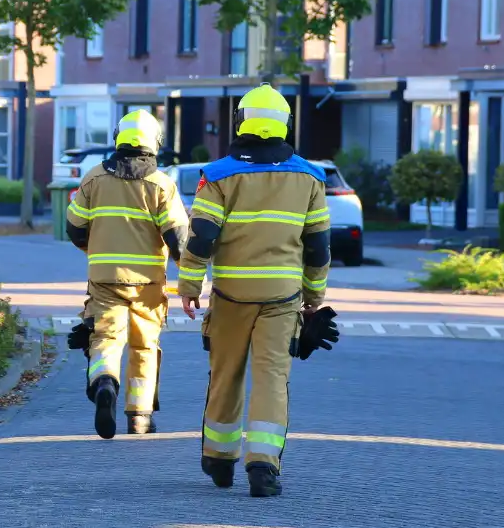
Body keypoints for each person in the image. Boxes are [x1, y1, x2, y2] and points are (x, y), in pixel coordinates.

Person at [178, 83, 332, 498]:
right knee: (272, 379)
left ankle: (218, 459)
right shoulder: (311, 178)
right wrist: (314, 297)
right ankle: (263, 464)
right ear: (285, 124)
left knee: (225, 374)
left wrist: (190, 284)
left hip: (230, 296)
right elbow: (317, 246)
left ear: (241, 120)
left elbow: (201, 236)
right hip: (282, 298)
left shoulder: (219, 175)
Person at [64, 109, 189, 439]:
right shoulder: (162, 185)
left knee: (105, 339)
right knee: (144, 346)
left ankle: (105, 381)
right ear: (154, 143)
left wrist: (97, 251)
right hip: (148, 284)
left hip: (104, 279)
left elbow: (74, 229)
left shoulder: (93, 178)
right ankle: (139, 417)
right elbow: (179, 239)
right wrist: (191, 276)